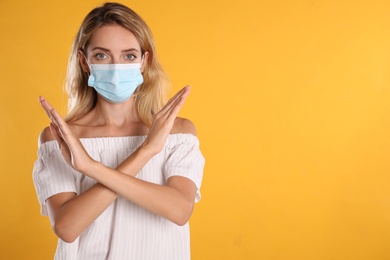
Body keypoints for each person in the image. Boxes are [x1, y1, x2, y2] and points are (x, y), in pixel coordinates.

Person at [32, 2, 205, 259]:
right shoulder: (62, 138)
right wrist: (145, 152)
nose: (116, 67)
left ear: (144, 61)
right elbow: (67, 228)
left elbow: (179, 210)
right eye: (102, 55)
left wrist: (92, 168)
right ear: (84, 61)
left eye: (129, 56)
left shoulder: (177, 133)